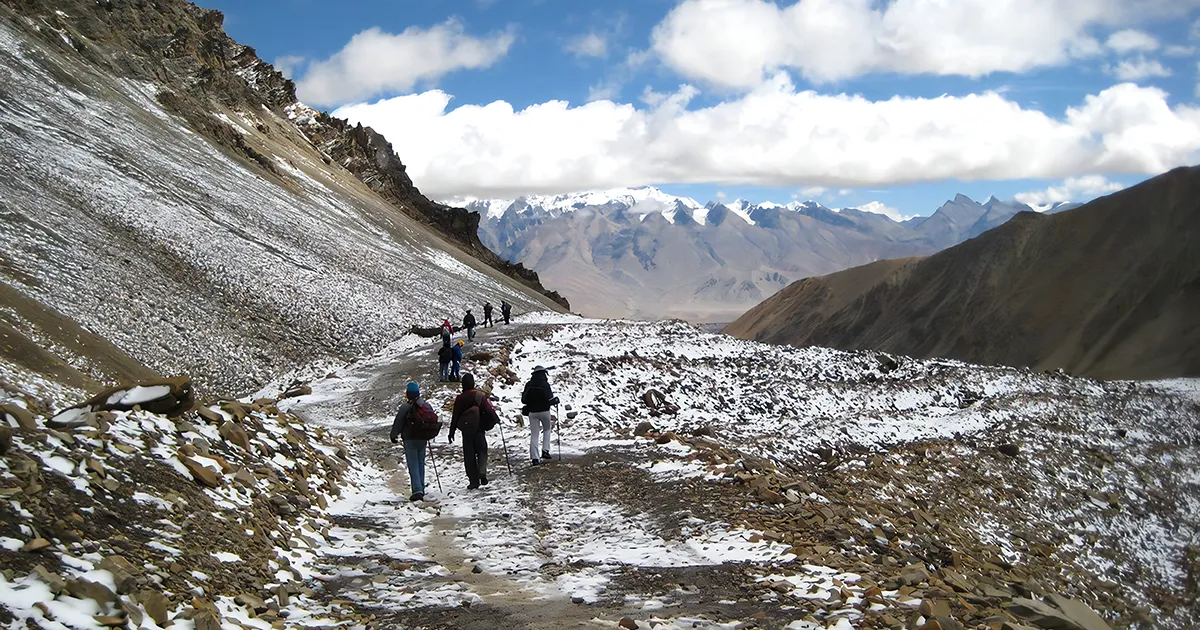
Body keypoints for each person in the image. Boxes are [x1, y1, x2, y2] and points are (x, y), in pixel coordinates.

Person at [449, 373, 500, 489]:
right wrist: (496, 420)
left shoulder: (460, 398)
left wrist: (451, 432)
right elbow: (489, 410)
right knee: (482, 450)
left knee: (469, 456)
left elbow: (455, 416)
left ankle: (473, 481)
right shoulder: (479, 395)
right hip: (479, 429)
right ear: (473, 383)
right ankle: (482, 472)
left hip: (466, 431)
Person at [389, 382, 436, 502]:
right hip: (423, 438)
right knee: (420, 463)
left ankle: (417, 490)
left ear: (408, 394)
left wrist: (393, 435)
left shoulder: (405, 407)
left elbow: (398, 423)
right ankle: (421, 487)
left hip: (410, 439)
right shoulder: (426, 405)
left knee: (413, 464)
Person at [522, 365, 559, 466]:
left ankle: (535, 458)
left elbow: (523, 400)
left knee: (534, 434)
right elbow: (550, 398)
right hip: (544, 411)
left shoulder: (529, 385)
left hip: (532, 412)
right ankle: (545, 450)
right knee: (547, 429)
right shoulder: (545, 384)